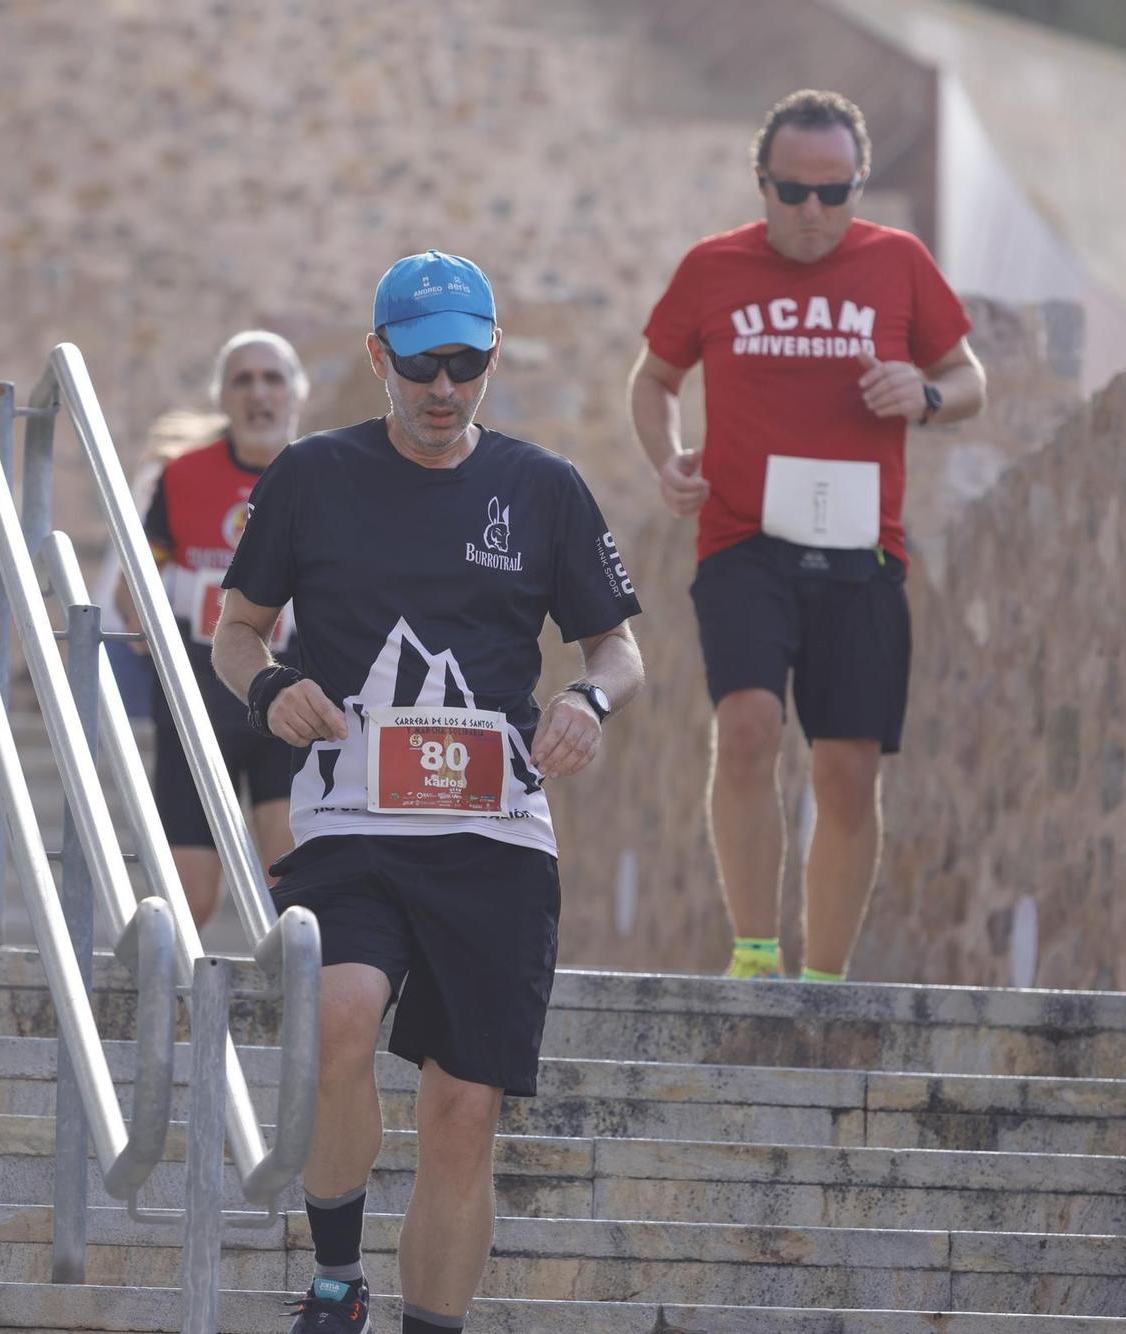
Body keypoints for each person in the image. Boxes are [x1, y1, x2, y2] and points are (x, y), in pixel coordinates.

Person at [213, 250, 644, 1333]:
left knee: (461, 1112)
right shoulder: (311, 475)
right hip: (348, 821)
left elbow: (619, 649)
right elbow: (232, 629)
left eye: (463, 362)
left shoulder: (542, 487)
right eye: (419, 365)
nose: (443, 388)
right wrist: (270, 687)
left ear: (491, 355)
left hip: (496, 836)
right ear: (377, 358)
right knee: (339, 1008)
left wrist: (585, 705)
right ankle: (332, 1277)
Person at [626, 89, 986, 982]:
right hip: (744, 536)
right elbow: (655, 377)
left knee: (849, 767)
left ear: (861, 184)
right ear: (761, 182)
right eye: (793, 192)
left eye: (837, 192)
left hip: (862, 548)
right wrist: (667, 460)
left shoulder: (899, 262)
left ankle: (824, 982)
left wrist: (927, 396)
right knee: (748, 726)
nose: (815, 212)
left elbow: (968, 376)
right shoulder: (713, 268)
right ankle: (755, 953)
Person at [134, 332, 309, 929]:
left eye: (273, 378)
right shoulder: (181, 477)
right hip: (198, 702)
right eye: (243, 380)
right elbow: (132, 587)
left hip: (293, 699)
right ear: (223, 397)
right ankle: (167, 1010)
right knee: (192, 899)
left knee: (292, 883)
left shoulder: (325, 475)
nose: (259, 392)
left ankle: (300, 1011)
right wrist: (158, 608)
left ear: (295, 395)